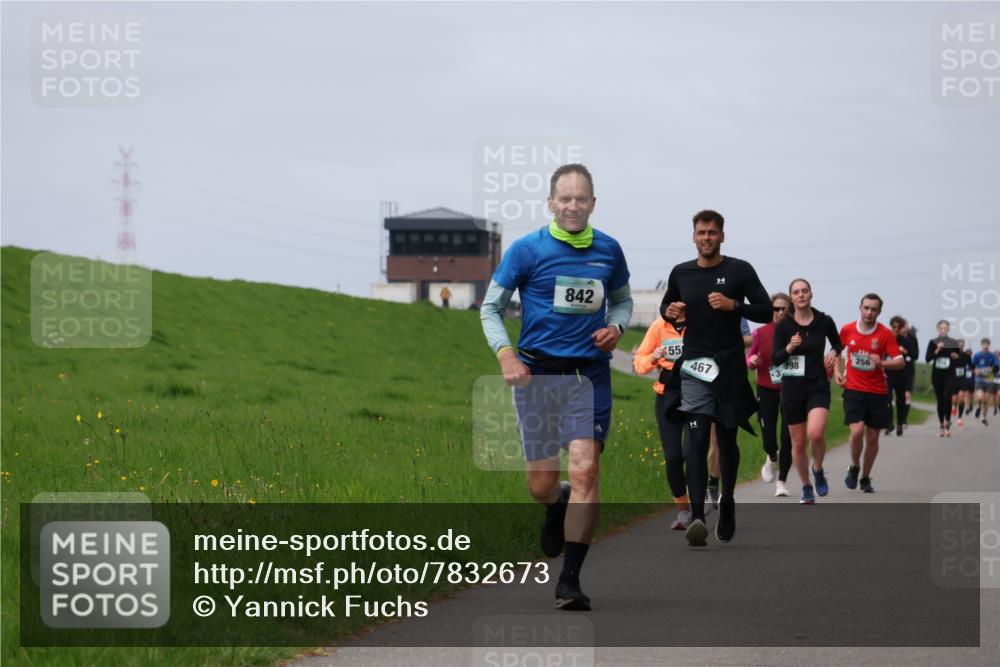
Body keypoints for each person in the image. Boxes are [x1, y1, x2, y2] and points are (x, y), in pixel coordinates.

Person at [479, 164, 631, 611]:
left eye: (581, 198)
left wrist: (617, 328)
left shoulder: (609, 250)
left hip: (588, 375)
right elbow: (490, 308)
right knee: (540, 484)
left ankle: (570, 581)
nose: (573, 206)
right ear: (550, 202)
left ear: (593, 203)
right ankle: (554, 503)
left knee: (585, 470)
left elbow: (622, 300)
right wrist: (506, 354)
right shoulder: (527, 250)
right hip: (538, 375)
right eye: (565, 198)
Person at [658, 209, 771, 546]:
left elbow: (766, 311)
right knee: (695, 438)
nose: (706, 238)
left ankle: (728, 501)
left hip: (730, 366)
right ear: (693, 237)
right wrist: (670, 312)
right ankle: (697, 517)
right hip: (695, 365)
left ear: (722, 236)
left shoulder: (740, 270)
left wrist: (733, 305)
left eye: (712, 232)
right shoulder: (681, 272)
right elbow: (667, 307)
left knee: (726, 438)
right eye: (701, 232)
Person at [771, 278, 842, 505]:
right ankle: (806, 486)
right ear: (791, 298)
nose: (801, 295)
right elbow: (775, 358)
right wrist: (789, 347)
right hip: (792, 389)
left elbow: (838, 343)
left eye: (804, 291)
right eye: (796, 292)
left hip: (817, 386)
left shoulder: (824, 321)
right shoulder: (784, 325)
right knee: (799, 444)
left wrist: (833, 353)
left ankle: (818, 469)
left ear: (811, 294)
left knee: (816, 433)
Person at [836, 294, 904, 494]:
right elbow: (836, 350)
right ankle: (854, 465)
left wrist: (882, 363)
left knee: (873, 438)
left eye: (874, 309)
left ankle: (865, 477)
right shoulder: (847, 329)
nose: (869, 312)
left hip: (877, 391)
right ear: (860, 308)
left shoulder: (885, 334)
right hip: (853, 389)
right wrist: (837, 372)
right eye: (866, 308)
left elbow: (900, 361)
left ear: (879, 312)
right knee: (857, 431)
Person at [633, 315, 691, 529]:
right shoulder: (658, 326)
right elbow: (639, 363)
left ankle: (701, 498)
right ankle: (683, 510)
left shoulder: (699, 319)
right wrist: (653, 358)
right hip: (667, 396)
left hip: (696, 393)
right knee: (673, 457)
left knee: (692, 452)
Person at [746, 292, 794, 496]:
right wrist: (752, 361)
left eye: (784, 309)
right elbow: (750, 357)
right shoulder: (760, 332)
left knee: (787, 437)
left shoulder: (796, 333)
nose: (780, 312)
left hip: (790, 389)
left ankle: (782, 482)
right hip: (766, 388)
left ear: (790, 310)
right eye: (776, 308)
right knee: (768, 439)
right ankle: (772, 457)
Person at [925, 320, 961, 437]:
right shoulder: (933, 342)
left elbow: (959, 358)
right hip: (937, 375)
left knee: (947, 397)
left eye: (945, 328)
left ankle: (947, 423)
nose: (943, 330)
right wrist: (937, 350)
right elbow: (928, 359)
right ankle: (941, 425)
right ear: (938, 329)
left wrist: (956, 356)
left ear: (948, 329)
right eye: (941, 328)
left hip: (949, 375)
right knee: (940, 400)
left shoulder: (953, 342)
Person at [885, 316, 912, 436]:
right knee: (887, 398)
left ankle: (900, 423)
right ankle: (889, 424)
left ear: (901, 328)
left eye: (898, 327)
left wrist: (904, 351)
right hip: (888, 373)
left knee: (900, 400)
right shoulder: (886, 339)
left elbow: (915, 355)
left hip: (901, 373)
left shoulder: (906, 341)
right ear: (891, 326)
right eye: (894, 327)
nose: (896, 329)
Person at [972, 338, 999, 426]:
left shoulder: (992, 356)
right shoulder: (977, 355)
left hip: (989, 379)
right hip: (979, 379)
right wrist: (975, 370)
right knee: (980, 397)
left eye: (987, 344)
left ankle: (983, 417)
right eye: (984, 344)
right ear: (981, 345)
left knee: (986, 400)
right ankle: (978, 407)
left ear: (989, 345)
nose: (985, 346)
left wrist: (992, 369)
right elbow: (972, 366)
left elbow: (996, 367)